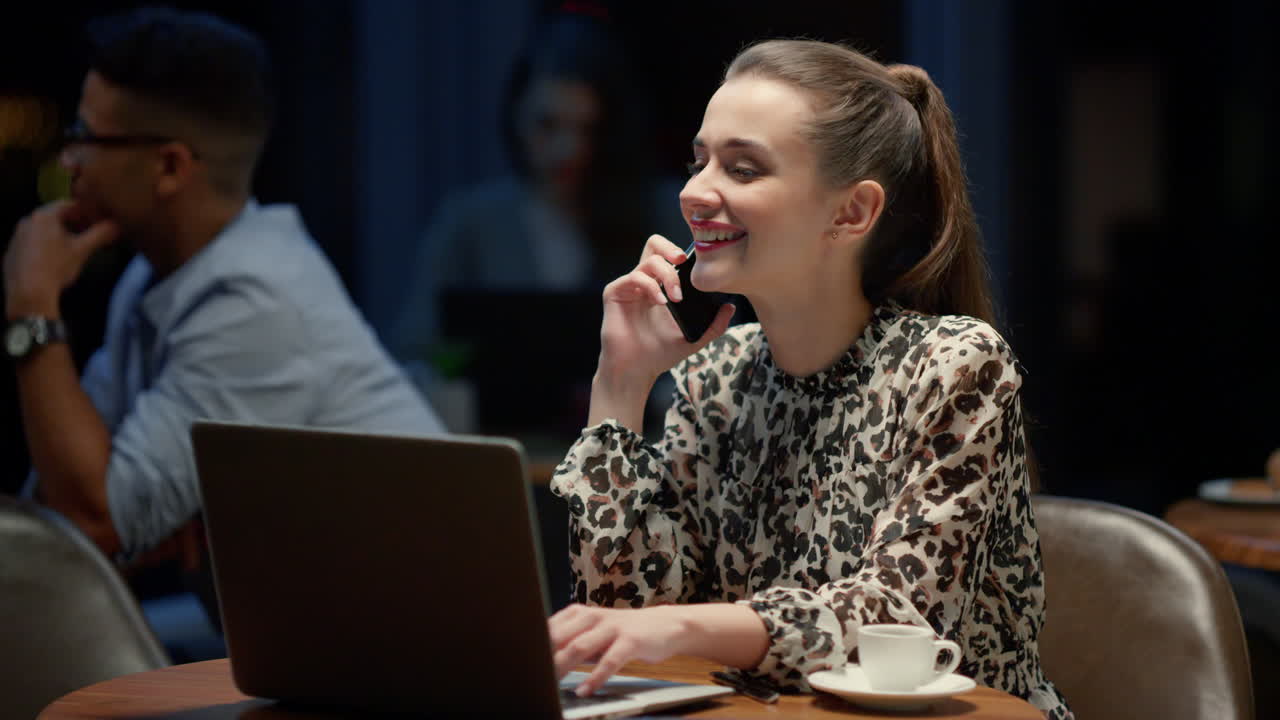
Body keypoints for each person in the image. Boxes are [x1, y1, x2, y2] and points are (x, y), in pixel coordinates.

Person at [546, 39, 1072, 719]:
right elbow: (622, 620)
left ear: (851, 213)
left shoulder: (953, 364)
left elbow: (898, 618)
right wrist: (619, 384)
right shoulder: (715, 375)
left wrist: (684, 625)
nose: (693, 192)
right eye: (698, 161)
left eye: (741, 168)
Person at [2, 7, 443, 565]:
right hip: (318, 621)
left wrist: (31, 307)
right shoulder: (151, 279)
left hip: (423, 623)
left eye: (86, 136)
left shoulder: (256, 299)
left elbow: (95, 524)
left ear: (168, 167)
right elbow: (56, 503)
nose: (69, 160)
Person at [389, 10, 685, 365]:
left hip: (635, 414)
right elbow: (416, 347)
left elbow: (702, 347)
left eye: (586, 129)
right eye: (548, 125)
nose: (567, 150)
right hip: (494, 420)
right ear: (517, 116)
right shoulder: (470, 224)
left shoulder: (663, 212)